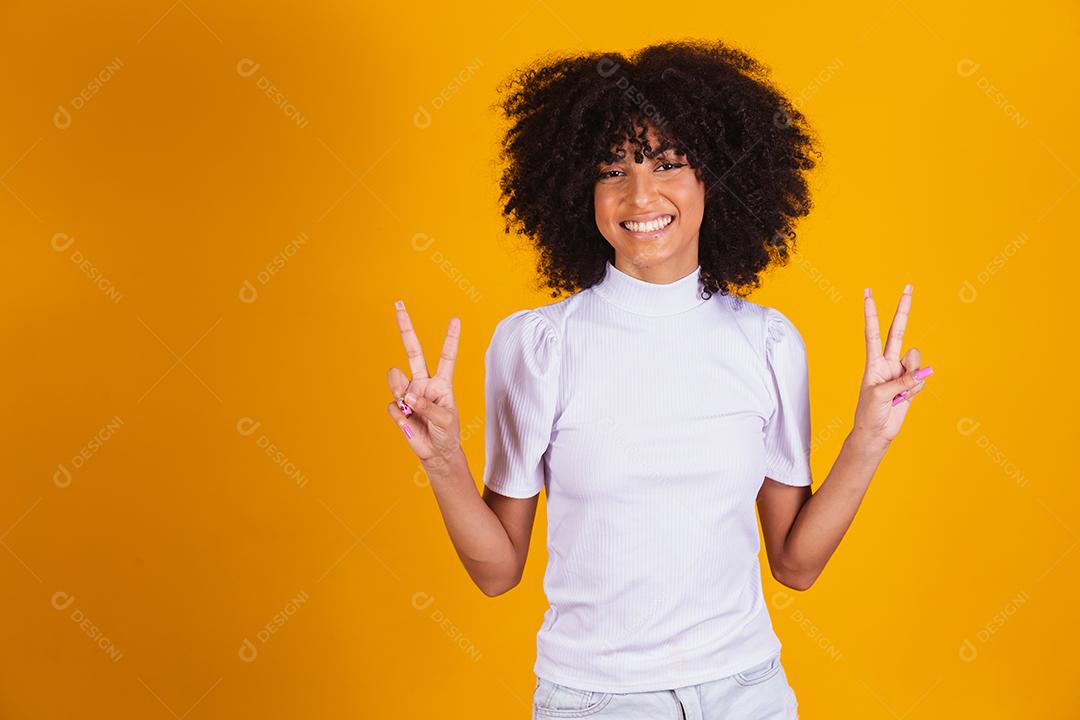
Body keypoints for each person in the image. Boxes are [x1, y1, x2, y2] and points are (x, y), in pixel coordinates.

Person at [386, 39, 934, 720]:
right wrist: (443, 459)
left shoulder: (766, 342)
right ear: (577, 188)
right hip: (597, 698)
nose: (640, 194)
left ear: (717, 179)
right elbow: (498, 572)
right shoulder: (537, 345)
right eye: (611, 169)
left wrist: (869, 437)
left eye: (669, 164)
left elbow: (796, 564)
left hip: (749, 690)